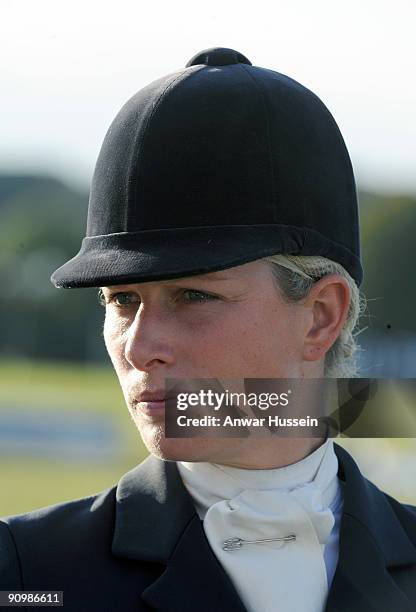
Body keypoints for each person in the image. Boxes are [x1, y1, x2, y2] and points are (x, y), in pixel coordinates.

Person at [1, 47, 415, 612]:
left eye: (194, 295)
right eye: (122, 300)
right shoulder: (23, 576)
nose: (141, 348)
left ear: (321, 316)